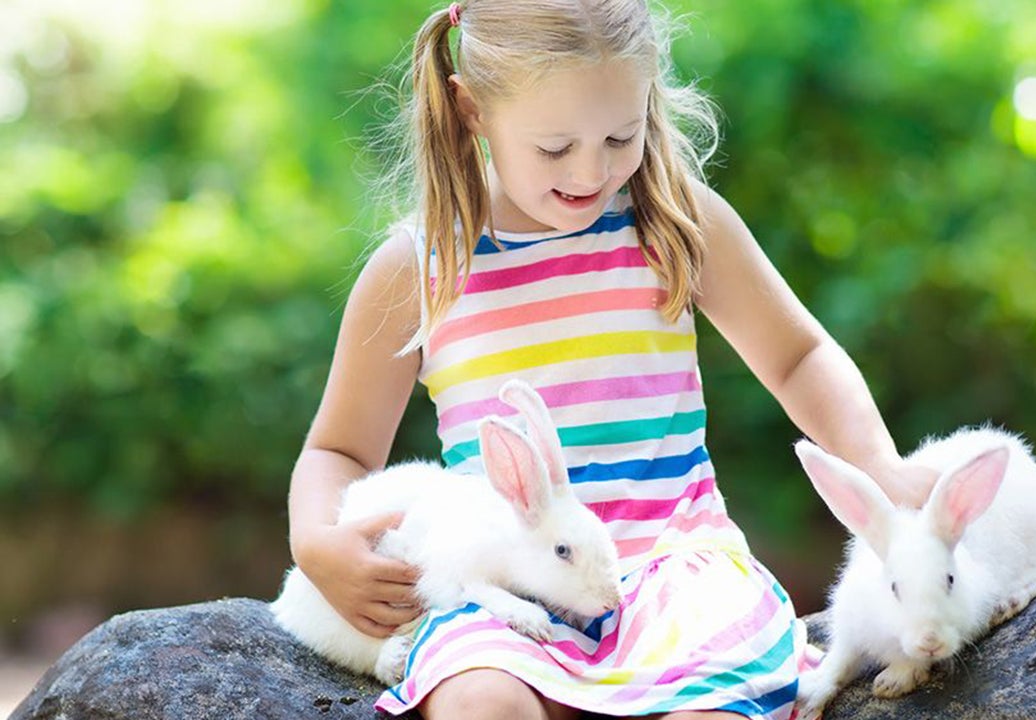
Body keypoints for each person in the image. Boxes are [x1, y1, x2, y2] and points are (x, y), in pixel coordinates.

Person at [286, 1, 937, 718]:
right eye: (555, 148)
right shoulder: (420, 268)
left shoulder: (675, 223)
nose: (591, 170)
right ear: (472, 111)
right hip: (511, 585)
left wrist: (879, 465)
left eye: (621, 136)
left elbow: (798, 356)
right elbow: (340, 450)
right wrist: (318, 544)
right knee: (481, 701)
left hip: (678, 566)